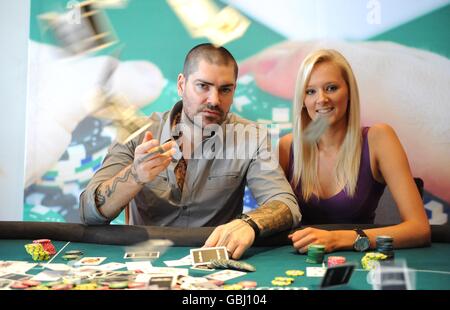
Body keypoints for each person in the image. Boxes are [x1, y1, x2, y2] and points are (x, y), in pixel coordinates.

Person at [80, 43, 301, 259]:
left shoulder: (251, 137)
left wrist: (250, 223)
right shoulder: (137, 134)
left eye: (225, 89)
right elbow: (89, 212)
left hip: (214, 264)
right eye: (203, 86)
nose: (214, 100)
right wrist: (135, 175)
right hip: (143, 263)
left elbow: (286, 204)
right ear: (181, 85)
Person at [277, 49, 430, 253]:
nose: (321, 99)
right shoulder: (287, 147)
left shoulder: (379, 138)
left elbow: (419, 229)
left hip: (359, 263)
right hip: (296, 262)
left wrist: (338, 239)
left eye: (331, 88)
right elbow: (271, 219)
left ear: (349, 92)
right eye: (310, 91)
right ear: (302, 100)